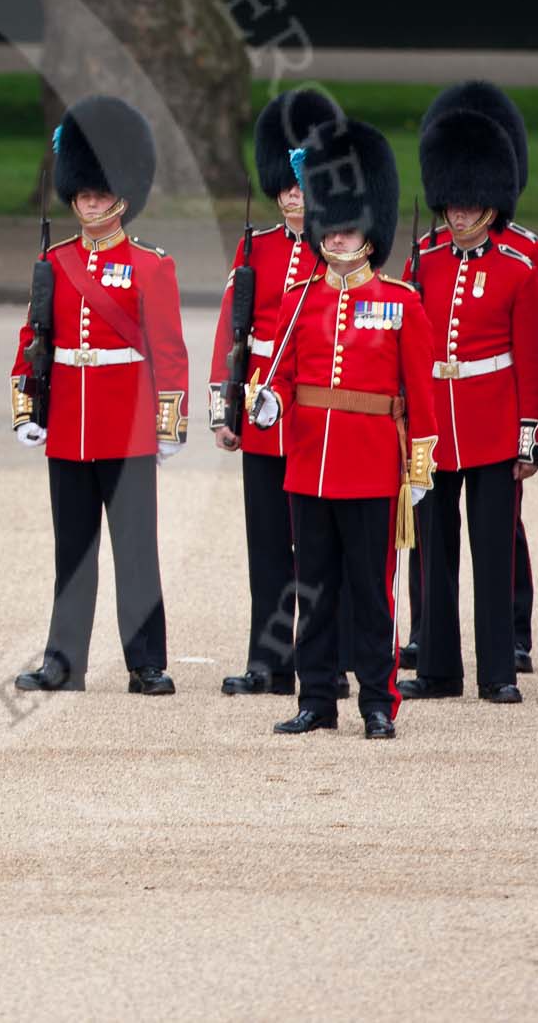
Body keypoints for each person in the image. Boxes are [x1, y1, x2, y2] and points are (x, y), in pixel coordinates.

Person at [251, 110, 436, 739]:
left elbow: (421, 396)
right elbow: (278, 372)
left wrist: (418, 470)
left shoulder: (401, 303)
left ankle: (378, 700)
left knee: (371, 590)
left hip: (371, 465)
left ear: (369, 233)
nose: (338, 240)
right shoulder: (301, 297)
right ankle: (316, 699)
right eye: (332, 231)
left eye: (349, 231)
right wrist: (268, 402)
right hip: (309, 464)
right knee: (314, 591)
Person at [9, 96, 188, 695]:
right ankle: (64, 659)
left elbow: (168, 352)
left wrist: (169, 424)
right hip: (69, 428)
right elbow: (33, 337)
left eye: (99, 189)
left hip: (128, 424)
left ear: (122, 194)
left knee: (136, 550)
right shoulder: (54, 263)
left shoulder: (150, 266)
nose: (89, 199)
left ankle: (146, 662)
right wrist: (28, 408)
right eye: (82, 190)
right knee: (74, 552)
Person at [402, 100, 538, 704]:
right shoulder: (424, 260)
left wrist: (528, 436)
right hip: (437, 426)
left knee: (492, 550)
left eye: (469, 201)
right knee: (432, 551)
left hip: (491, 426)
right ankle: (438, 668)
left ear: (492, 200)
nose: (459, 211)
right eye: (452, 201)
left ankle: (497, 671)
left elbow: (534, 357)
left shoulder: (517, 267)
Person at [207, 92, 329, 695]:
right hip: (261, 417)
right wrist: (224, 408)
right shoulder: (256, 247)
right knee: (266, 549)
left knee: (313, 548)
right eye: (283, 186)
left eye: (301, 185)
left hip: (312, 420)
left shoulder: (340, 251)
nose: (291, 196)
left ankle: (316, 658)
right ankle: (269, 659)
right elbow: (234, 330)